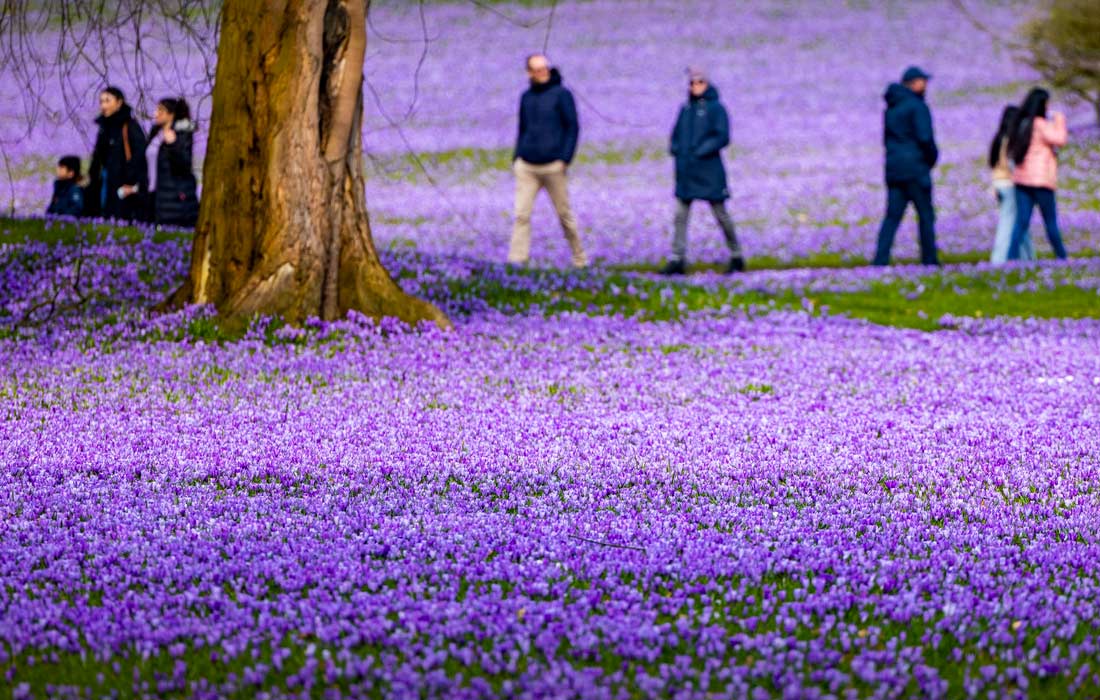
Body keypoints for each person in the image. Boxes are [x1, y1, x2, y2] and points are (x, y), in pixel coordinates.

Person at [661, 67, 744, 275]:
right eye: (692, 83)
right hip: (687, 170)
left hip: (708, 170)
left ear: (707, 85)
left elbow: (722, 136)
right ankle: (677, 258)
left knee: (720, 214)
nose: (695, 86)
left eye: (699, 83)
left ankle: (736, 255)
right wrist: (677, 150)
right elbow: (676, 134)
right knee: (680, 215)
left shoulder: (716, 108)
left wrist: (701, 151)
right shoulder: (686, 109)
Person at [507, 53, 587, 268]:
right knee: (521, 215)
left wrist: (565, 158)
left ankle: (579, 258)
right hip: (528, 165)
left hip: (553, 165)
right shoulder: (526, 97)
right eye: (538, 69)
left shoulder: (562, 95)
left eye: (545, 68)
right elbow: (522, 128)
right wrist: (517, 157)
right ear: (529, 73)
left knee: (564, 215)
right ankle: (517, 260)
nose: (543, 73)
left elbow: (573, 127)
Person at [872, 66, 939, 266]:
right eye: (923, 81)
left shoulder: (891, 108)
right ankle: (929, 261)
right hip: (916, 169)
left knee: (892, 217)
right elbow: (925, 137)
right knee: (926, 216)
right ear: (914, 83)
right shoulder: (917, 107)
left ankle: (880, 261)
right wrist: (931, 158)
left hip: (894, 170)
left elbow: (887, 139)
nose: (926, 85)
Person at [1006, 88, 1068, 261]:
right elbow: (1060, 139)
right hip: (1041, 180)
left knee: (1021, 222)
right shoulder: (1040, 124)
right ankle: (1062, 257)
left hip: (1021, 180)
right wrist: (1059, 119)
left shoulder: (1021, 123)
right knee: (1050, 222)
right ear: (1042, 104)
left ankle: (1010, 258)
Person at [87, 86, 147, 221]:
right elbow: (98, 157)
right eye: (101, 101)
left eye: (107, 101)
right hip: (106, 180)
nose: (103, 105)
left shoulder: (129, 126)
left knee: (121, 216)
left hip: (123, 182)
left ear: (119, 102)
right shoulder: (104, 128)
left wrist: (132, 180)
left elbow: (139, 155)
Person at [988, 106, 1033, 264]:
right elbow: (1011, 164)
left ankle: (1027, 258)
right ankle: (999, 260)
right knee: (1008, 225)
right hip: (1009, 184)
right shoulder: (1010, 141)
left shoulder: (998, 138)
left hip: (998, 184)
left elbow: (992, 163)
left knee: (1019, 223)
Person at [146, 97, 199, 227]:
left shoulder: (181, 134)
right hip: (154, 194)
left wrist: (173, 144)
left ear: (171, 114)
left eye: (160, 110)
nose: (155, 114)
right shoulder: (155, 134)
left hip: (173, 195)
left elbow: (184, 164)